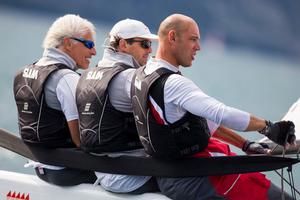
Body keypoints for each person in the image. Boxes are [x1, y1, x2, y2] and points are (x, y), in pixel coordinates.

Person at [130, 14, 296, 200]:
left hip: (174, 172)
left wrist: (245, 144)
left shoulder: (144, 72)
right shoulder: (174, 84)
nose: (198, 47)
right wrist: (269, 127)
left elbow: (203, 122)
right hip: (192, 176)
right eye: (193, 39)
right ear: (172, 37)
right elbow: (221, 113)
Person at [76, 19, 159, 194]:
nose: (150, 50)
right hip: (129, 175)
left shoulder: (87, 74)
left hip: (101, 171)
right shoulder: (130, 77)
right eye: (145, 44)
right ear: (123, 44)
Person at [13, 14, 97, 186]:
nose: (94, 52)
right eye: (89, 45)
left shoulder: (23, 73)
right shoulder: (67, 78)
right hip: (66, 171)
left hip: (40, 167)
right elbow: (80, 140)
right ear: (67, 43)